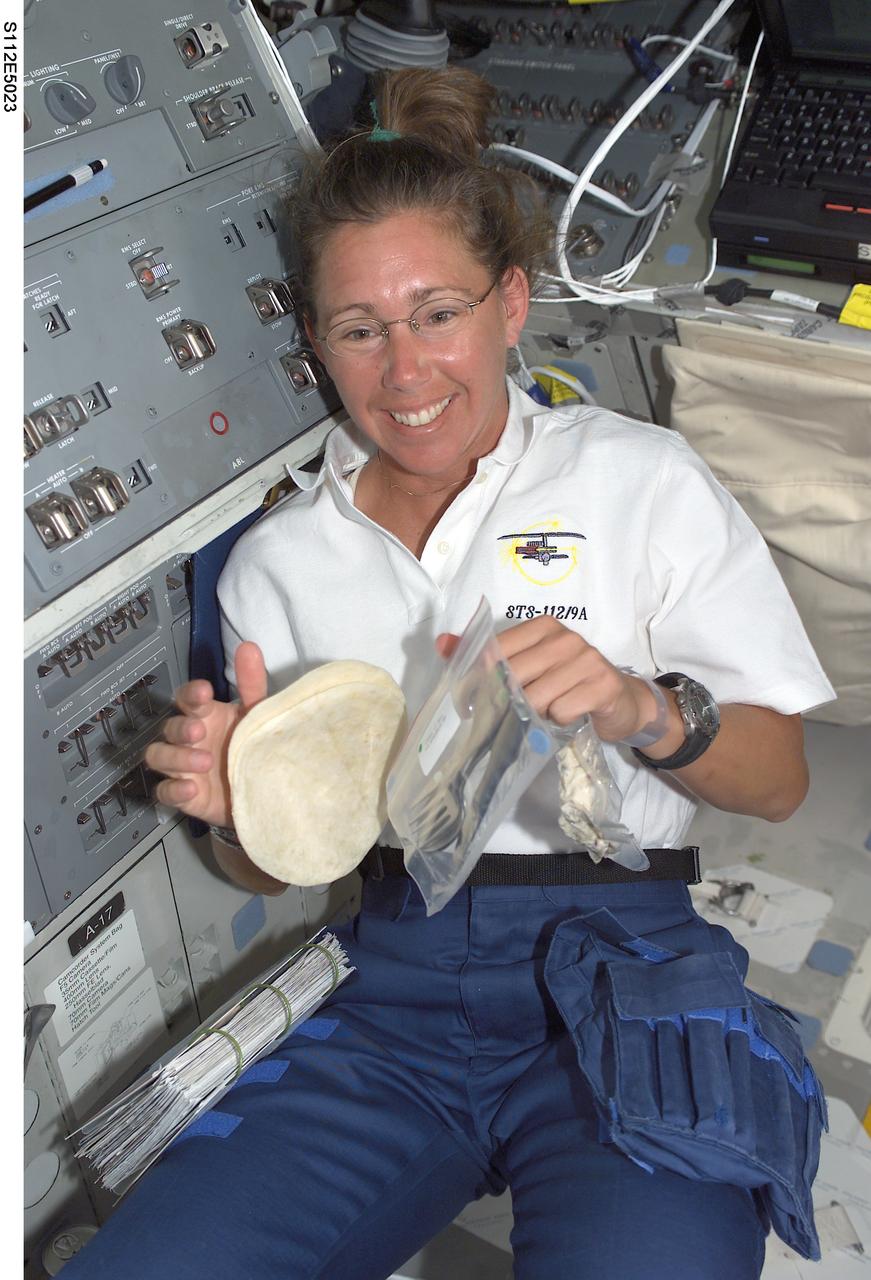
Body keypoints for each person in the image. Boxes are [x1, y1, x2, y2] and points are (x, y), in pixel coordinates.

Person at [63, 67, 834, 1280]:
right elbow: (270, 860)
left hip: (619, 971)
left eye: (438, 312)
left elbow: (778, 777)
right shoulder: (274, 562)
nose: (405, 371)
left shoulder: (638, 481)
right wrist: (233, 810)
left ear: (511, 303)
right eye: (361, 328)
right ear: (317, 340)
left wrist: (645, 707)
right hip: (387, 986)